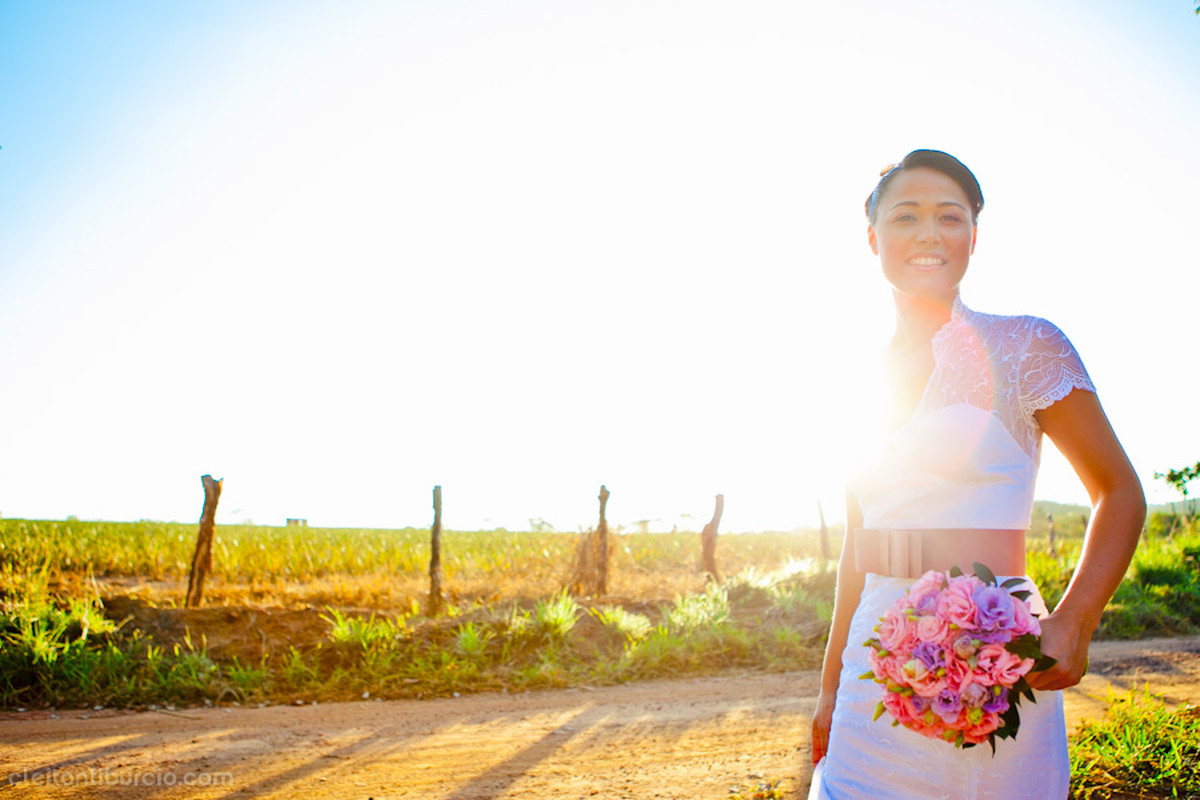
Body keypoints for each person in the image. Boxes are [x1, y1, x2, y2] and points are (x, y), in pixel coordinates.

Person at [807, 149, 1146, 799]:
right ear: (873, 237)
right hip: (871, 674)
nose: (929, 233)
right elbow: (861, 547)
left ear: (973, 237)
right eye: (906, 216)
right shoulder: (850, 379)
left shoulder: (1026, 345)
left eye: (950, 217)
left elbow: (1119, 493)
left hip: (994, 664)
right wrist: (829, 688)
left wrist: (1074, 623)